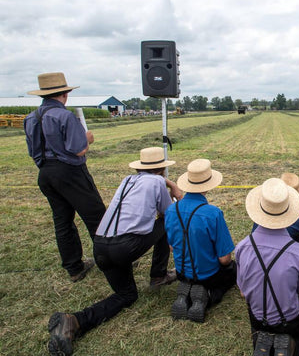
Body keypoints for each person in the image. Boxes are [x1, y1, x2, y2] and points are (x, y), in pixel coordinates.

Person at [46, 147, 181, 356]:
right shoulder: (156, 182)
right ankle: (159, 276)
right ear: (162, 168)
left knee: (126, 295)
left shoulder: (127, 180)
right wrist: (174, 189)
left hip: (101, 246)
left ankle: (74, 321)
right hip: (124, 247)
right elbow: (169, 212)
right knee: (165, 222)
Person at [24, 72, 106, 282]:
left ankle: (74, 267)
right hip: (70, 173)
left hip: (46, 174)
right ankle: (109, 261)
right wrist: (87, 139)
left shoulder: (31, 117)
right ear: (65, 94)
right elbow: (78, 150)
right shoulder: (65, 116)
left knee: (62, 220)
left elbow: (32, 151)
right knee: (96, 216)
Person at [236, 178, 299, 356]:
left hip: (257, 319)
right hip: (289, 320)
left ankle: (264, 340)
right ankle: (292, 344)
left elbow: (243, 293)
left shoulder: (242, 247)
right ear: (291, 212)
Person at [165, 159, 236, 323]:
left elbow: (171, 247)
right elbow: (224, 259)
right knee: (233, 270)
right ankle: (208, 295)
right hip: (208, 274)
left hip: (182, 272)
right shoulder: (213, 213)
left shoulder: (170, 210)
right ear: (209, 185)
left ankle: (187, 291)